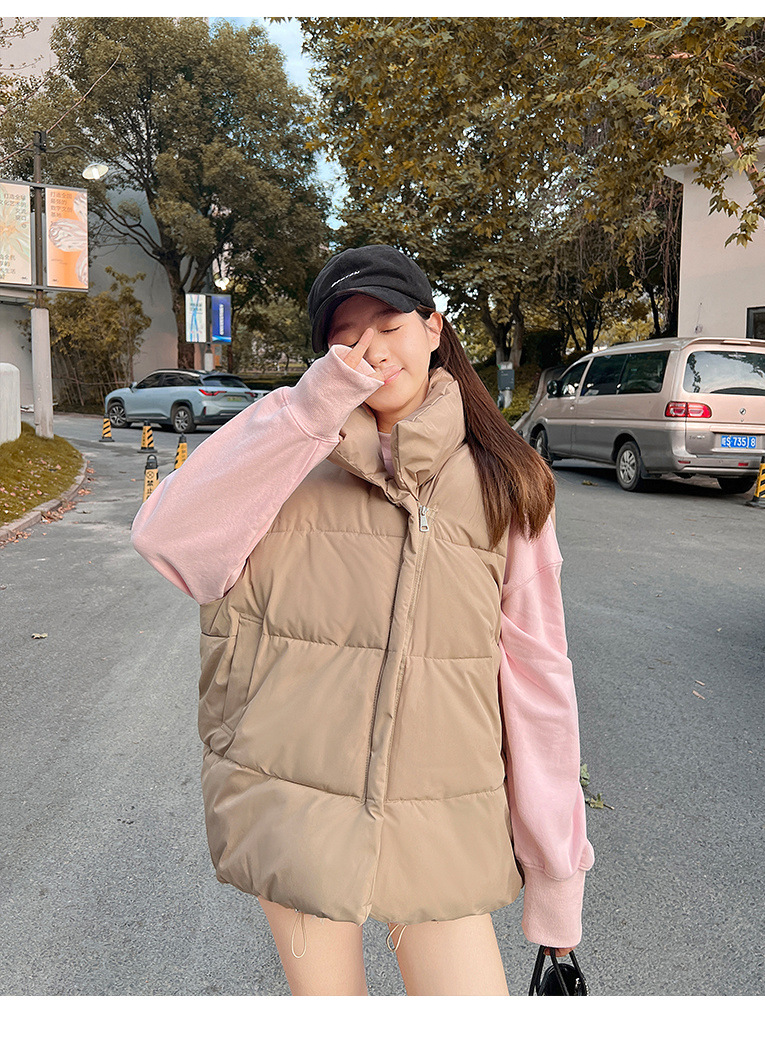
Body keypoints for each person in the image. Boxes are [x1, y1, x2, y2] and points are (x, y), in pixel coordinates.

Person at [131, 244, 594, 996]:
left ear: (434, 329)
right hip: (294, 800)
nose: (370, 347)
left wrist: (556, 874)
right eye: (345, 335)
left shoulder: (507, 481)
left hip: (442, 816)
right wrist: (308, 410)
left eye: (389, 323)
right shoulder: (285, 457)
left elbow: (540, 684)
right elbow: (168, 540)